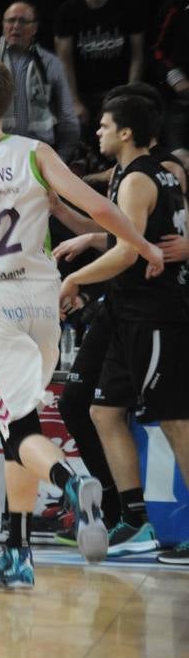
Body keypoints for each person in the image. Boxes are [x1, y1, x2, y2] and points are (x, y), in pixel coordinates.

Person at [0, 57, 162, 588]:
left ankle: (72, 485)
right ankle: (16, 552)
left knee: (20, 429)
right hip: (42, 300)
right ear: (8, 106)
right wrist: (142, 246)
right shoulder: (36, 152)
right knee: (16, 426)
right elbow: (102, 207)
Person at [57, 96, 189, 562]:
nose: (98, 133)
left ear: (127, 133)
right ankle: (136, 520)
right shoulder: (151, 173)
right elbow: (127, 238)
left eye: (105, 125)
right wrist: (92, 238)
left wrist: (74, 279)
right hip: (126, 311)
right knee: (104, 411)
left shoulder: (138, 178)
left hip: (154, 314)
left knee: (175, 420)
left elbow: (129, 251)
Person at [0, 1, 80, 159]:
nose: (15, 26)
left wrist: (60, 160)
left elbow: (67, 118)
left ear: (34, 28)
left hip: (37, 156)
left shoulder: (50, 64)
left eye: (22, 21)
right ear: (3, 25)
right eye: (11, 20)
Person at [55, 0, 143, 143]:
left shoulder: (128, 7)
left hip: (119, 91)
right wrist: (74, 101)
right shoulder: (67, 12)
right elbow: (64, 61)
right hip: (83, 93)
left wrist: (129, 97)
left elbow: (137, 56)